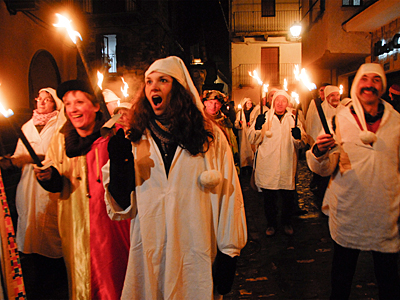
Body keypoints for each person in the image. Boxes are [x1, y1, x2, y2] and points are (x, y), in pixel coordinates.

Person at [102, 56, 247, 299]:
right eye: (148, 82)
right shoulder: (135, 138)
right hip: (150, 250)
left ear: (178, 88)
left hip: (195, 250)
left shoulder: (210, 137)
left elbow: (229, 195)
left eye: (163, 81)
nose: (153, 87)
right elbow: (120, 209)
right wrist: (120, 166)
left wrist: (229, 251)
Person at [306, 63, 400, 300]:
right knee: (341, 278)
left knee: (389, 280)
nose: (370, 85)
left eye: (376, 80)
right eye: (364, 80)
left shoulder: (397, 122)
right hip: (349, 210)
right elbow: (327, 168)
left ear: (383, 85)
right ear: (357, 85)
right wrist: (319, 151)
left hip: (386, 212)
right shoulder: (340, 120)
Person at [33, 80, 130, 300]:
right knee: (81, 282)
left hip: (112, 226)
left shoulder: (114, 135)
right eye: (67, 104)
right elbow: (55, 173)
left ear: (96, 106)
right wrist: (49, 177)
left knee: (114, 281)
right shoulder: (60, 139)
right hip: (75, 223)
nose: (73, 109)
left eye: (79, 102)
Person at [0, 87, 66, 297]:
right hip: (28, 187)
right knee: (30, 237)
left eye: (48, 100)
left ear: (55, 104)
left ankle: (56, 283)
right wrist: (11, 162)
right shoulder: (28, 126)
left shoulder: (60, 125)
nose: (43, 103)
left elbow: (57, 156)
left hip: (49, 186)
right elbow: (21, 155)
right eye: (40, 99)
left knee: (50, 238)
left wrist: (34, 158)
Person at [248, 90, 307, 236]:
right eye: (277, 100)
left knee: (287, 198)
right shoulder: (264, 117)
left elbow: (301, 143)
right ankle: (271, 224)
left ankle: (286, 222)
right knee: (269, 199)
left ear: (288, 103)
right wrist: (257, 127)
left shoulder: (293, 118)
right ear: (273, 102)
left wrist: (298, 137)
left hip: (286, 163)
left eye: (283, 100)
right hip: (268, 164)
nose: (280, 103)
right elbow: (252, 139)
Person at [203, 90, 240, 174]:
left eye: (216, 103)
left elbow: (232, 141)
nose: (213, 106)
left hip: (222, 159)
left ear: (220, 105)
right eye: (210, 102)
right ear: (205, 103)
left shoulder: (225, 122)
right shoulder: (199, 120)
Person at [234, 97, 255, 175]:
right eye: (248, 103)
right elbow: (236, 124)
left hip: (250, 133)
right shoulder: (240, 113)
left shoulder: (253, 112)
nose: (249, 105)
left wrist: (251, 124)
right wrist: (240, 123)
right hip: (243, 134)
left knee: (250, 150)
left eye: (250, 103)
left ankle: (250, 166)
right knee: (243, 150)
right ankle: (244, 167)